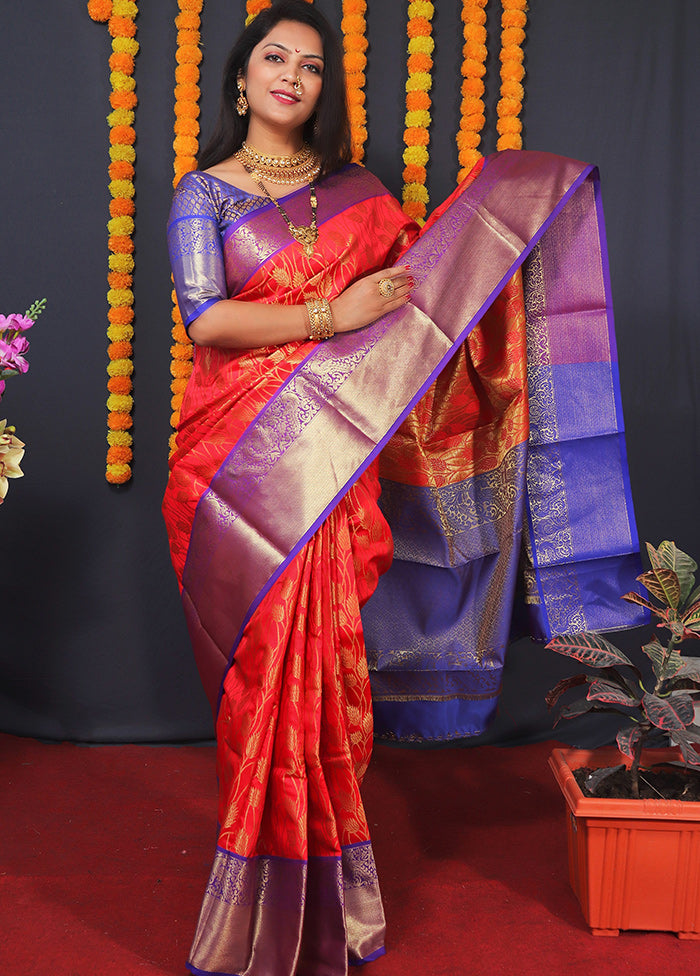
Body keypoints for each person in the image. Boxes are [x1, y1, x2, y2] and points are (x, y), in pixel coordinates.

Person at [163, 2, 645, 974]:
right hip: (236, 463)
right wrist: (326, 312)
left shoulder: (361, 196)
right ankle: (256, 903)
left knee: (326, 670)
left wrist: (508, 220)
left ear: (321, 88)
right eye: (273, 58)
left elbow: (417, 317)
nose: (291, 76)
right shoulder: (202, 194)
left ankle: (328, 904)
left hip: (330, 471)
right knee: (265, 685)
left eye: (309, 64)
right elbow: (206, 321)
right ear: (241, 78)